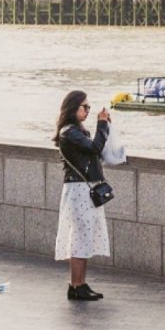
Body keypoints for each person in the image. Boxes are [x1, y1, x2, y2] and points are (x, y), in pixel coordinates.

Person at [54, 90, 111, 302]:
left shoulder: (77, 131)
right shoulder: (69, 132)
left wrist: (104, 126)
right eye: (84, 107)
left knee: (85, 236)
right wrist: (103, 125)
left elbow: (95, 150)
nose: (88, 111)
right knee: (79, 237)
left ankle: (81, 284)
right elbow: (96, 148)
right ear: (72, 108)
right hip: (78, 190)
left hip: (83, 189)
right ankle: (75, 285)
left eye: (89, 107)